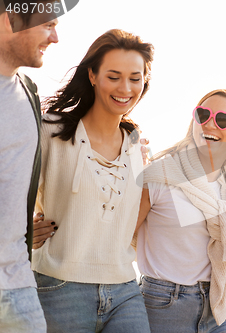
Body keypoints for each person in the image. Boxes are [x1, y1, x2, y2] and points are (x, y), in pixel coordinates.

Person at [31, 29, 153, 333]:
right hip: (59, 287)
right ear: (93, 76)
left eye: (135, 78)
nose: (125, 88)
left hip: (125, 288)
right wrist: (21, 229)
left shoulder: (136, 145)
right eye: (114, 76)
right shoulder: (50, 130)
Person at [135, 89, 226, 333]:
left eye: (222, 120)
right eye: (203, 114)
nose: (210, 124)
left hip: (216, 305)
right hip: (163, 304)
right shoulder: (160, 174)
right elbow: (117, 235)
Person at [0, 1, 58, 331]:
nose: (55, 38)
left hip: (19, 284)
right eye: (48, 25)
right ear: (10, 21)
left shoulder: (28, 92)